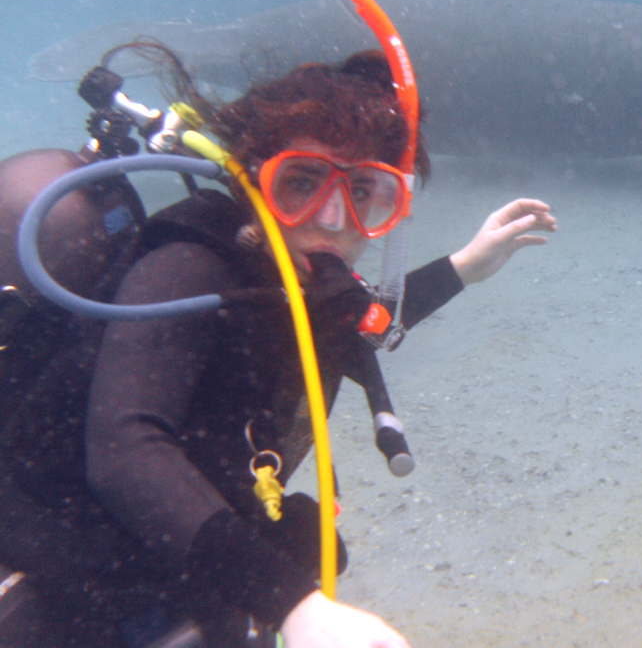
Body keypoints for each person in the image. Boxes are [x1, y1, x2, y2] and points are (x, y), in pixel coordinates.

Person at [0, 46, 556, 647]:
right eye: (302, 184)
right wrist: (297, 607)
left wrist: (464, 267)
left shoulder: (290, 275)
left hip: (168, 542)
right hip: (67, 560)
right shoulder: (186, 270)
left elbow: (353, 326)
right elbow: (125, 450)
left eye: (365, 192)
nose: (336, 220)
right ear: (249, 179)